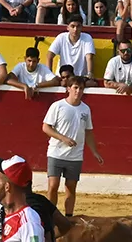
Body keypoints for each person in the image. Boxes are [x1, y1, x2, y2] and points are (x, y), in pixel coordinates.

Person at [42, 74, 100, 216]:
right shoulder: (58, 106)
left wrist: (94, 151)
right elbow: (46, 127)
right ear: (68, 88)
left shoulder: (85, 109)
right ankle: (50, 216)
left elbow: (89, 132)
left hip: (75, 155)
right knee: (53, 186)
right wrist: (63, 138)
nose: (78, 91)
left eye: (81, 88)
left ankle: (68, 217)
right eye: (75, 88)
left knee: (70, 187)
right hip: (56, 152)